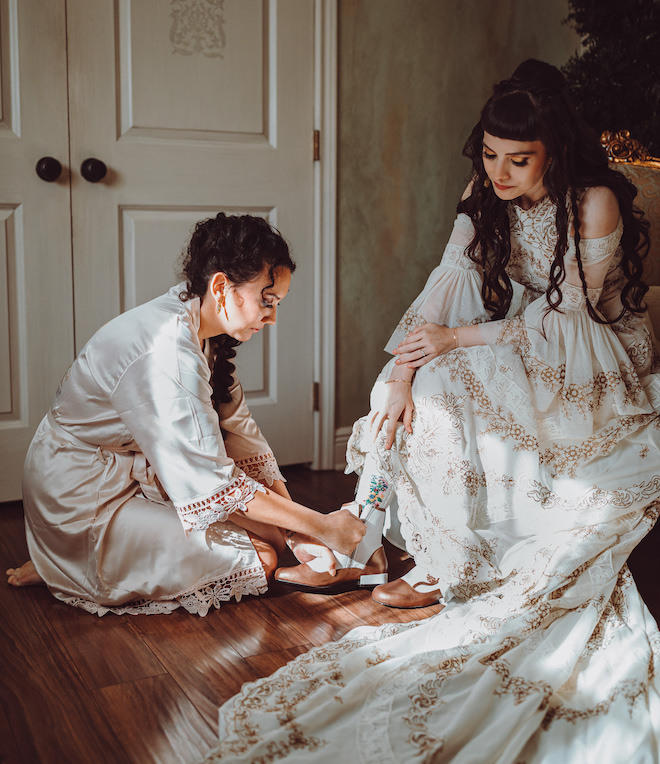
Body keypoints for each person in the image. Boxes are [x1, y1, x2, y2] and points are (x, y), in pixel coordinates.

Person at [199, 62, 660, 761]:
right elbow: (446, 283)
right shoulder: (485, 190)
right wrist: (402, 371)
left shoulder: (592, 203)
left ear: (555, 152)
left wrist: (453, 342)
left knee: (451, 378)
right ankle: (367, 539)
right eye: (489, 155)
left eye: (518, 160)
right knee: (420, 391)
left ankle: (441, 563)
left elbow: (567, 320)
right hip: (520, 332)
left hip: (590, 351)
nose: (499, 173)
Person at [6, 213, 365, 616]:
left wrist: (300, 535)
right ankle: (66, 563)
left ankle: (66, 563)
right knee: (261, 559)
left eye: (277, 303)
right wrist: (323, 526)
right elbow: (215, 485)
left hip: (129, 473)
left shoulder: (201, 322)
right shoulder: (166, 353)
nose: (273, 317)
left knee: (276, 540)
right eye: (267, 300)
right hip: (78, 490)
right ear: (220, 286)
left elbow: (242, 438)